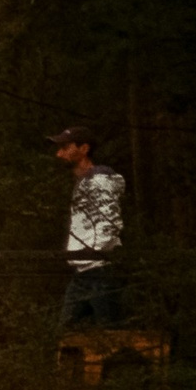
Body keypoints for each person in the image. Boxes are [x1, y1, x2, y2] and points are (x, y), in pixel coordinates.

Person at [51, 124, 125, 326]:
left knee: (110, 332)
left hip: (99, 269)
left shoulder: (99, 180)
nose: (59, 154)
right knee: (65, 333)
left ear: (84, 149)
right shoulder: (83, 182)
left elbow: (109, 220)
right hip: (83, 271)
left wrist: (97, 251)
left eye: (66, 148)